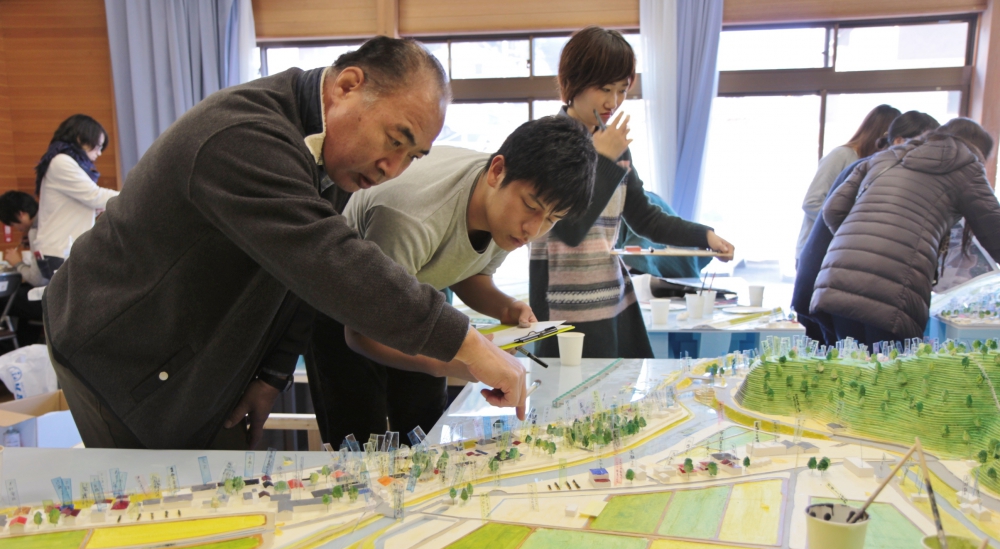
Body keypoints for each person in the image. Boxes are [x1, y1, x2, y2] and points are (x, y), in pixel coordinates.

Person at [43, 37, 527, 450]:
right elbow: (330, 262)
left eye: (412, 156)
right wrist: (468, 344)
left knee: (218, 488)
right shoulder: (245, 135)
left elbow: (299, 282)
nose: (392, 169)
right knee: (167, 503)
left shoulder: (329, 156)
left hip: (197, 347)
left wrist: (271, 375)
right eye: (393, 140)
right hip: (119, 347)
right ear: (347, 86)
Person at [307, 115, 596, 445]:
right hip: (345, 307)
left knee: (425, 438)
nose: (534, 229)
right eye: (531, 206)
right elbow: (359, 334)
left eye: (552, 219)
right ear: (497, 171)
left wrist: (505, 307)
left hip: (419, 299)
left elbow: (464, 269)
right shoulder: (411, 217)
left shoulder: (505, 210)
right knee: (359, 448)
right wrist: (453, 361)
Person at [529, 26, 734, 359]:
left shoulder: (616, 147)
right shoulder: (546, 141)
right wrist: (602, 159)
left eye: (622, 90)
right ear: (573, 82)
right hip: (563, 312)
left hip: (613, 303)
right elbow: (566, 229)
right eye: (604, 89)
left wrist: (704, 236)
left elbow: (646, 218)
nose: (613, 102)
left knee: (624, 390)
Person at [812, 118, 1000, 347]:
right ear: (979, 151)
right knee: (893, 367)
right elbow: (995, 233)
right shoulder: (966, 167)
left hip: (837, 278)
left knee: (852, 364)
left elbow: (832, 210)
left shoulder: (886, 157)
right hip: (894, 287)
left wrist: (858, 243)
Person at [792, 111, 940, 344]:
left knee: (851, 355)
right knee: (857, 356)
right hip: (837, 282)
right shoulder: (870, 168)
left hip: (838, 283)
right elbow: (825, 209)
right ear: (898, 141)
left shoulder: (880, 169)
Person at [794, 104, 900, 261]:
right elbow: (811, 202)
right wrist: (849, 225)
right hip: (817, 250)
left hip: (843, 251)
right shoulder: (842, 155)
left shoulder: (875, 164)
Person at [34, 114, 119, 277]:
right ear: (80, 139)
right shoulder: (62, 161)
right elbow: (94, 195)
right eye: (97, 146)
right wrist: (132, 195)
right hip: (59, 251)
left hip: (59, 250)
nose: (99, 153)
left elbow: (87, 200)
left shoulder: (62, 161)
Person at [0, 191, 47, 346]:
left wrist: (17, 263)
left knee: (6, 298)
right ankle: (24, 346)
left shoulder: (37, 231)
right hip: (61, 294)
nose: (17, 228)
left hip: (48, 298)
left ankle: (10, 349)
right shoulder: (47, 221)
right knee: (19, 294)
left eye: (14, 224)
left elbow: (38, 280)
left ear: (21, 214)